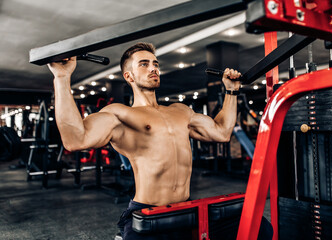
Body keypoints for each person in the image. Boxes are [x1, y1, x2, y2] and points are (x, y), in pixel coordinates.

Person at [48, 42, 272, 240]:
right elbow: (75, 140)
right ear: (129, 77)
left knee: (259, 227)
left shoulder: (180, 111)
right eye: (144, 64)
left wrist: (231, 92)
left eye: (155, 63)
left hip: (187, 209)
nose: (153, 68)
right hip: (149, 214)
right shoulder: (120, 115)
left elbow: (222, 132)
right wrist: (62, 77)